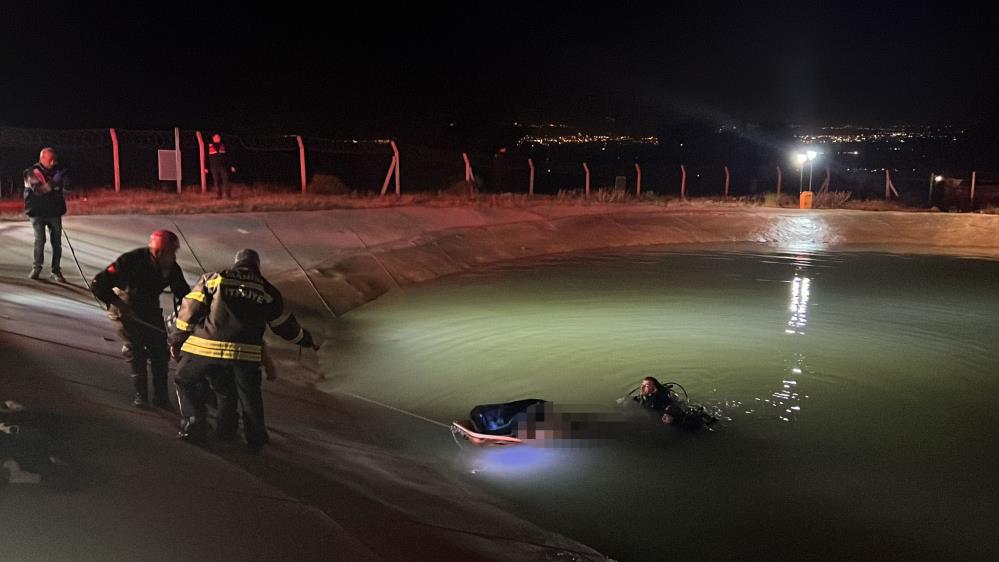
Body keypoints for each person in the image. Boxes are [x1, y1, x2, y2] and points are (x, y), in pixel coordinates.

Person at [170, 249, 315, 453]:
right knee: (249, 396)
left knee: (184, 378)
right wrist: (304, 339)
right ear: (257, 267)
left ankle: (195, 424)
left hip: (206, 348)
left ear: (236, 263)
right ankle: (253, 439)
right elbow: (281, 325)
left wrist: (177, 339)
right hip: (244, 354)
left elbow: (190, 310)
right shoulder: (267, 290)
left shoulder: (214, 279)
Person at [92, 230, 191, 408]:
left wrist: (187, 315)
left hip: (149, 307)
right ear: (158, 252)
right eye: (171, 252)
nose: (174, 256)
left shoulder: (172, 269)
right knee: (135, 349)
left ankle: (161, 398)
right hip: (124, 305)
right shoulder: (131, 261)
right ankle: (141, 395)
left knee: (160, 351)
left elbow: (184, 295)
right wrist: (118, 304)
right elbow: (99, 283)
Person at [23, 147, 68, 282]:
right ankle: (37, 268)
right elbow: (39, 191)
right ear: (42, 159)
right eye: (50, 160)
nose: (53, 162)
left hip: (53, 212)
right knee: (40, 240)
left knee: (57, 242)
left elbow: (61, 190)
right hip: (37, 213)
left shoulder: (56, 171)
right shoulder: (31, 172)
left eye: (54, 159)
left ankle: (56, 270)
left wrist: (63, 182)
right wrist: (54, 182)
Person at [207, 133, 232, 198]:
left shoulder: (223, 145)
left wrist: (231, 165)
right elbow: (207, 158)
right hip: (214, 167)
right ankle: (219, 195)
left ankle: (228, 195)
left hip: (223, 166)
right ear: (213, 138)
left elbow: (228, 157)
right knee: (216, 181)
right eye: (217, 137)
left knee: (226, 180)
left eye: (219, 137)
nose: (218, 138)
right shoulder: (209, 146)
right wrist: (206, 167)